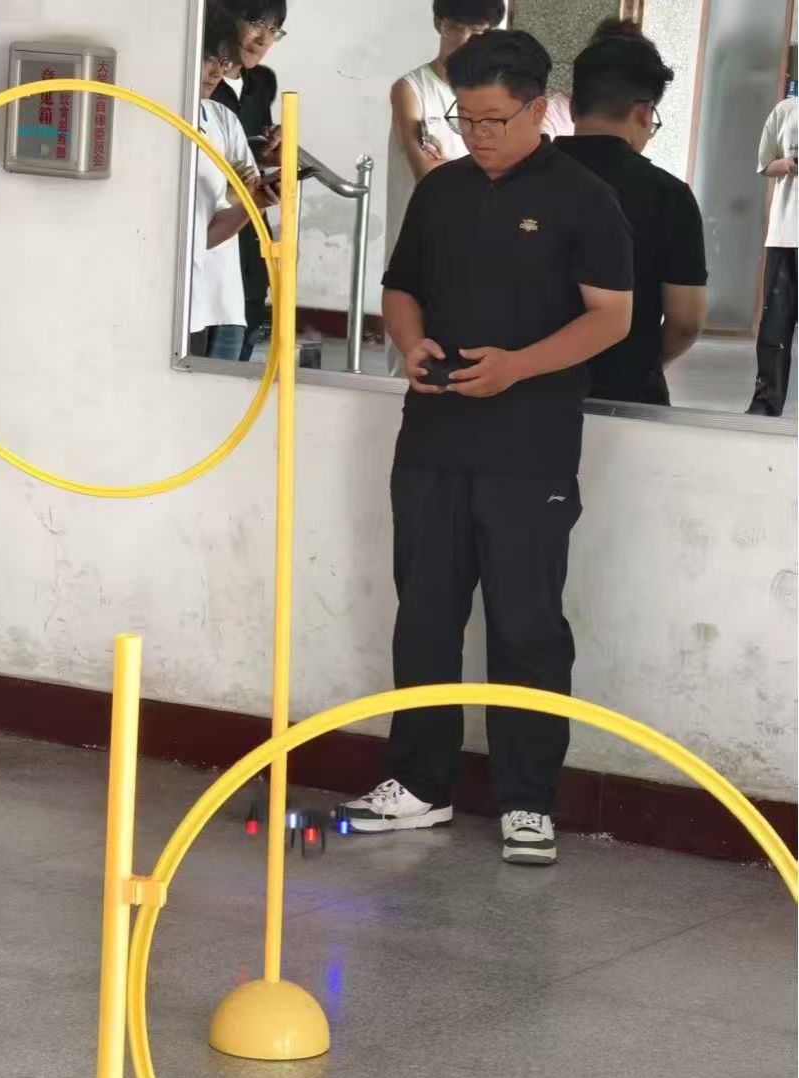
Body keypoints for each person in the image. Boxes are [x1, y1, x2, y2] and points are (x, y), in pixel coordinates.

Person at [345, 31, 634, 864]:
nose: (478, 135)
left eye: (495, 120)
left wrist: (516, 368)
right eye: (466, 119)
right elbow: (401, 289)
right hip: (432, 441)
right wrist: (411, 344)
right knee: (425, 617)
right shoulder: (441, 191)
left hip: (529, 449)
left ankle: (527, 801)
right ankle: (419, 783)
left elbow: (611, 318)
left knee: (526, 625)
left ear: (540, 110)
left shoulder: (584, 199)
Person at [555, 21, 707, 405]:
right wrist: (648, 363)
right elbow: (686, 321)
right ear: (643, 112)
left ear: (572, 106)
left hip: (530, 392)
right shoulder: (669, 196)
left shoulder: (524, 179)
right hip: (629, 394)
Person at [385, 0, 507, 376]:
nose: (467, 39)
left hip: (478, 243)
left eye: (479, 32)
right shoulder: (411, 89)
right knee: (413, 362)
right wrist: (469, 171)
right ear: (439, 24)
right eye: (458, 27)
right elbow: (428, 177)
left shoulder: (492, 96)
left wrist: (447, 165)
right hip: (419, 245)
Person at [190, 8, 278, 359]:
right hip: (184, 292)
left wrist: (256, 198)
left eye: (222, 62)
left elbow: (245, 195)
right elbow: (192, 239)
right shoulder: (160, 120)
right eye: (207, 60)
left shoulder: (222, 118)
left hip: (223, 292)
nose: (216, 72)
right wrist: (241, 197)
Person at [212, 1, 288, 361]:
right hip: (212, 236)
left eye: (274, 30)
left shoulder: (261, 83)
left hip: (249, 240)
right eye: (257, 23)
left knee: (240, 357)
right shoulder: (197, 82)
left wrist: (268, 153)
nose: (264, 40)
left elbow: (247, 151)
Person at [747, 95, 798, 416]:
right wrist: (788, 164)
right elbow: (765, 164)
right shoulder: (787, 109)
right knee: (775, 325)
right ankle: (766, 403)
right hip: (787, 232)